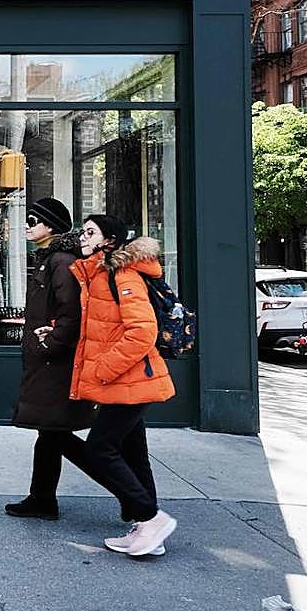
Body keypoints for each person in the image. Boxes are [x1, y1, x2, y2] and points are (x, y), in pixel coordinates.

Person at [5, 197, 124, 522]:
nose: (27, 226)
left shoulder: (59, 261)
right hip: (48, 363)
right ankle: (42, 499)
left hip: (55, 365)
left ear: (50, 227)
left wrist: (49, 346)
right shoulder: (51, 258)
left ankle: (129, 494)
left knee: (57, 435)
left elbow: (71, 315)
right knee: (49, 434)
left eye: (33, 220)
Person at [71, 214, 177, 558]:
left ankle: (151, 518)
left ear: (110, 240)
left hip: (129, 380)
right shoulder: (100, 273)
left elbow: (141, 333)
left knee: (98, 449)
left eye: (90, 232)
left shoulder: (121, 274)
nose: (82, 236)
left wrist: (103, 369)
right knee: (133, 452)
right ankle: (147, 531)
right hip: (126, 381)